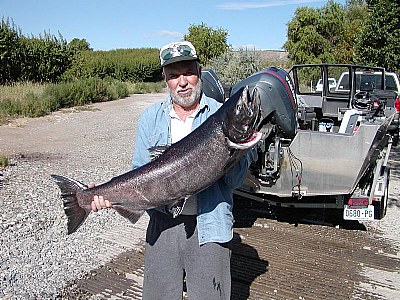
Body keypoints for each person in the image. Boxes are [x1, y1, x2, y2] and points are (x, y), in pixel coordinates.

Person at [91, 41, 253, 299]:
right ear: (165, 79)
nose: (183, 82)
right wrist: (103, 195)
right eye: (174, 75)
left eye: (188, 72)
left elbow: (234, 181)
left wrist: (239, 149)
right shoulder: (150, 118)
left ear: (199, 72)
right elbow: (138, 173)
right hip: (163, 224)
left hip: (209, 224)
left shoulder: (218, 114)